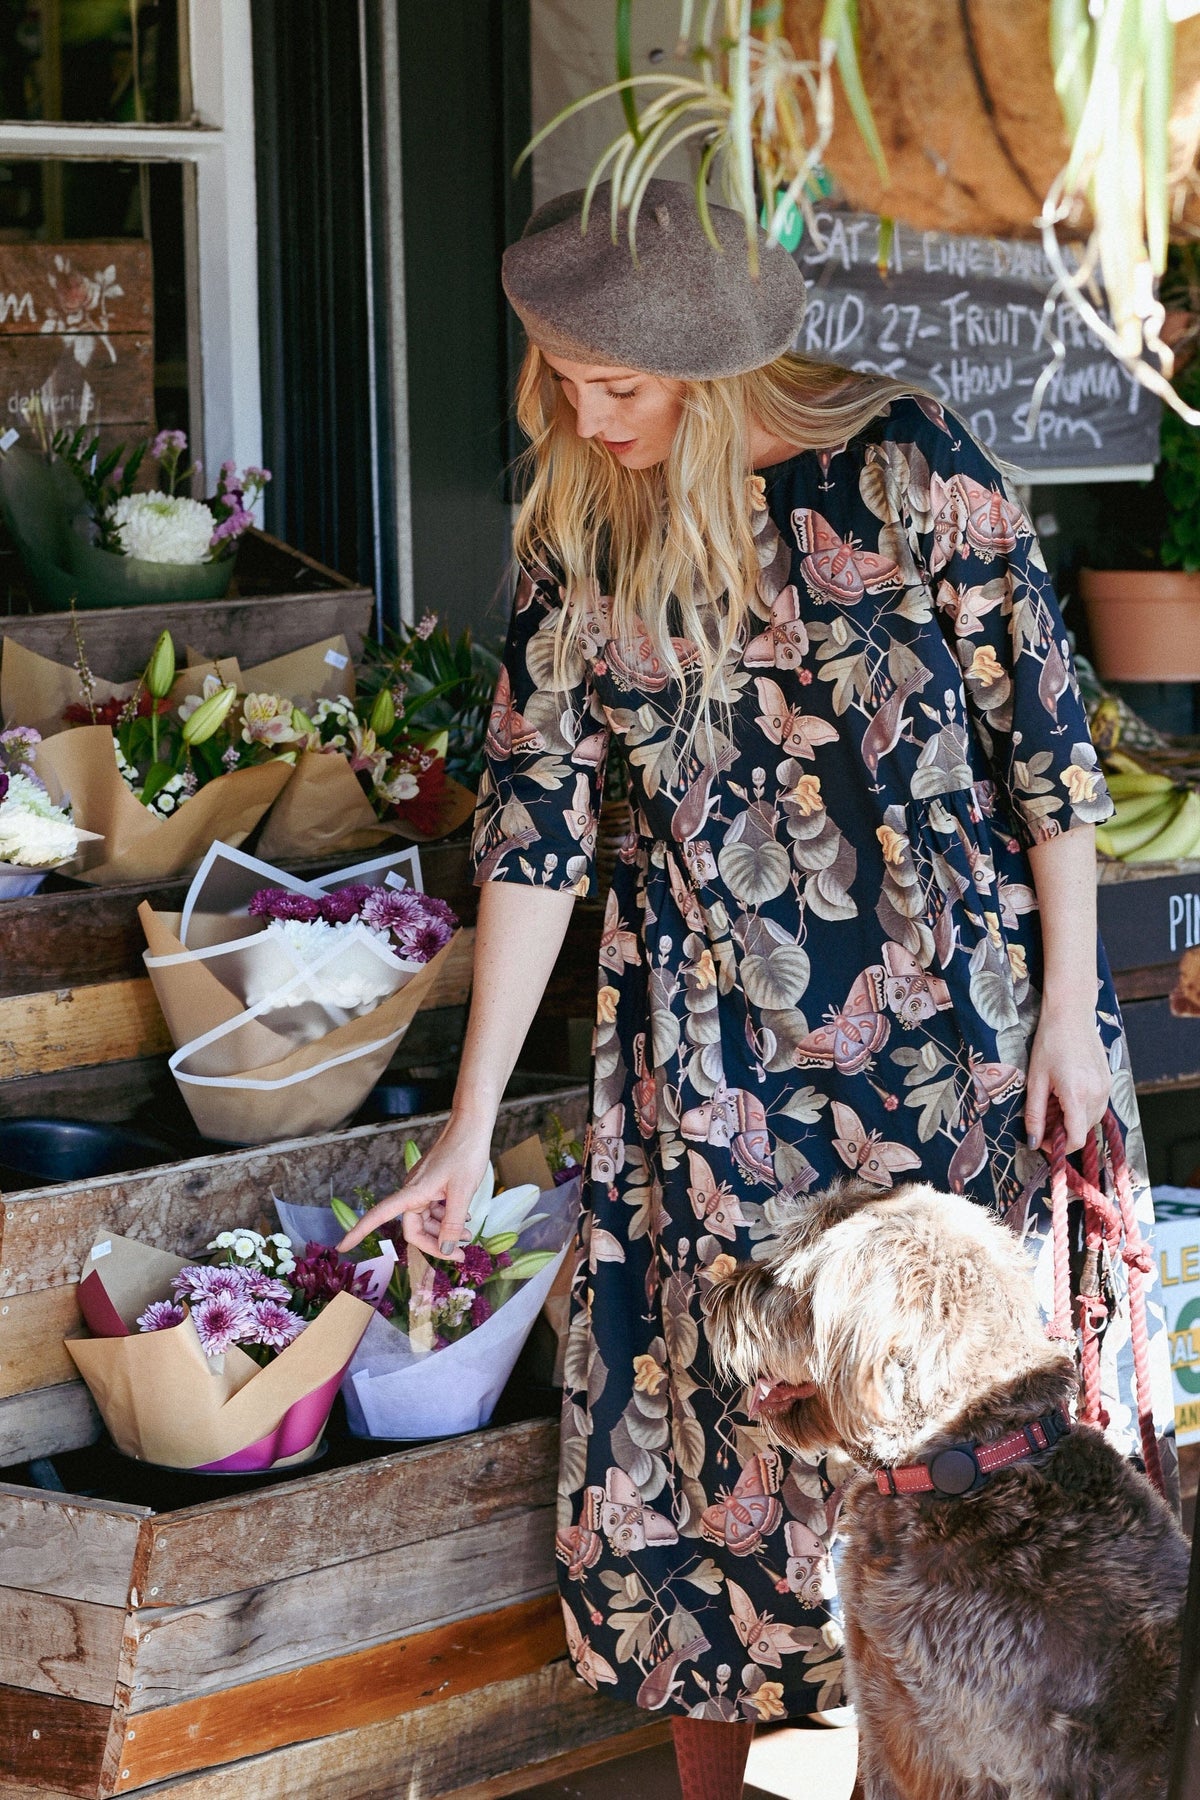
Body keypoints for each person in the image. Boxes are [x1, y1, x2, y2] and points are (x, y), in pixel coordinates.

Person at [342, 181, 1172, 1800]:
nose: (590, 416)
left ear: (719, 374)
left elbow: (1054, 761)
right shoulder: (587, 530)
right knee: (706, 1469)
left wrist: (1075, 1011)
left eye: (622, 386)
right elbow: (533, 840)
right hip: (711, 1066)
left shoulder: (914, 464)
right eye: (564, 379)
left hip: (959, 1047)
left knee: (970, 1468)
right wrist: (468, 1128)